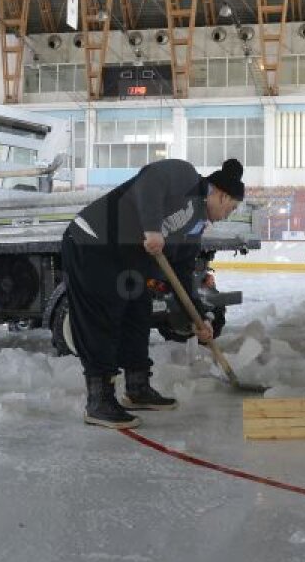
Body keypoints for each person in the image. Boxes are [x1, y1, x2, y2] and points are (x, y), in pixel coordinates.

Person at [61, 158, 244, 429]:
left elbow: (182, 277)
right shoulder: (186, 177)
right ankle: (99, 401)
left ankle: (137, 387)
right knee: (103, 319)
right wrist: (151, 228)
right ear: (221, 194)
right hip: (93, 242)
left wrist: (198, 319)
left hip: (127, 261)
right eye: (233, 206)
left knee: (137, 317)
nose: (232, 212)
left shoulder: (194, 229)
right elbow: (150, 180)